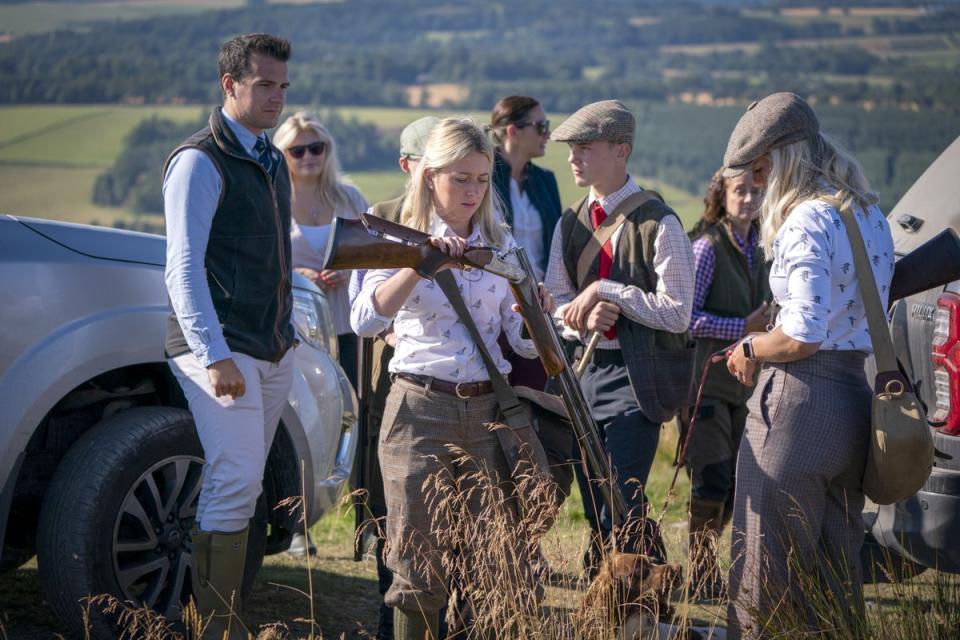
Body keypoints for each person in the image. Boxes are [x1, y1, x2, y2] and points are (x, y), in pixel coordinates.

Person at [351, 117, 552, 640]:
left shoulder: (500, 241)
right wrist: (420, 263)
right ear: (429, 176)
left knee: (492, 565)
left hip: (489, 414)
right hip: (419, 409)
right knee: (417, 568)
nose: (472, 190)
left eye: (482, 179)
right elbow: (365, 319)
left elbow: (524, 341)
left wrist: (535, 310)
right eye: (460, 178)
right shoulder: (394, 234)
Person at [723, 92, 894, 637]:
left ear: (781, 160)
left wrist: (749, 348)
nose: (756, 182)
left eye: (760, 167)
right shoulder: (867, 212)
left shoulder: (803, 220)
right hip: (855, 402)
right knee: (834, 576)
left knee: (764, 575)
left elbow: (801, 335)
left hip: (798, 404)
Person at [162, 33, 294, 638]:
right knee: (236, 476)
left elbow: (282, 250)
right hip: (218, 347)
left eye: (282, 86)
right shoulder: (199, 160)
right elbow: (182, 268)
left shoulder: (269, 157)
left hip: (272, 347)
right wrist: (215, 356)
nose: (277, 96)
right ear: (230, 85)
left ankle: (226, 619)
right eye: (264, 84)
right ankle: (216, 628)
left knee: (245, 481)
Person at [545, 100, 695, 569]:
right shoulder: (569, 221)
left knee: (622, 498)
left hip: (637, 380)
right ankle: (632, 582)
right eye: (572, 148)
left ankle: (627, 595)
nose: (573, 158)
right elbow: (555, 304)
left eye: (585, 148)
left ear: (621, 150)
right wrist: (582, 317)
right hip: (585, 375)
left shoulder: (661, 222)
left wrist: (612, 291)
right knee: (595, 502)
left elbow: (678, 314)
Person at [349, 114, 439, 640]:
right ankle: (392, 615)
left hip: (461, 385)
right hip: (397, 382)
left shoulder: (476, 216)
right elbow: (368, 311)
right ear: (410, 166)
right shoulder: (380, 220)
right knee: (394, 507)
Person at [684, 167, 770, 600]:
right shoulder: (707, 248)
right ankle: (700, 572)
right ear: (723, 194)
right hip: (708, 385)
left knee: (736, 484)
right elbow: (686, 316)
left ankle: (713, 569)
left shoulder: (762, 249)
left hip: (747, 389)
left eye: (757, 191)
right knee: (712, 478)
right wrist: (743, 325)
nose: (749, 199)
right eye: (740, 191)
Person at [274, 112, 368, 387]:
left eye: (316, 148)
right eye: (297, 151)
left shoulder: (350, 197)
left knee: (353, 402)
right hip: (294, 328)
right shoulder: (273, 201)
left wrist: (349, 272)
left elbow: (377, 253)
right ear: (283, 155)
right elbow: (259, 261)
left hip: (350, 325)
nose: (308, 157)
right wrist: (297, 276)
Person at [488, 96, 562, 390]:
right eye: (541, 126)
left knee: (536, 395)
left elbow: (556, 244)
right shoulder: (483, 177)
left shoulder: (545, 180)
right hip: (495, 305)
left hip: (538, 306)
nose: (548, 134)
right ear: (512, 131)